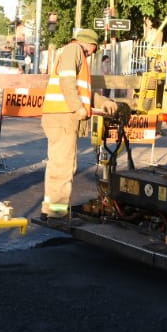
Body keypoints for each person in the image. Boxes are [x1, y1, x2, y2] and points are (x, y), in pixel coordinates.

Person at [40, 28, 116, 222]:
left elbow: (83, 93)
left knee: (62, 164)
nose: (92, 54)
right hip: (63, 116)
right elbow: (67, 82)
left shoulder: (74, 55)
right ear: (89, 44)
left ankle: (51, 208)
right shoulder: (74, 50)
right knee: (62, 166)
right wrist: (77, 108)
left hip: (61, 116)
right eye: (94, 49)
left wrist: (103, 102)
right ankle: (56, 212)